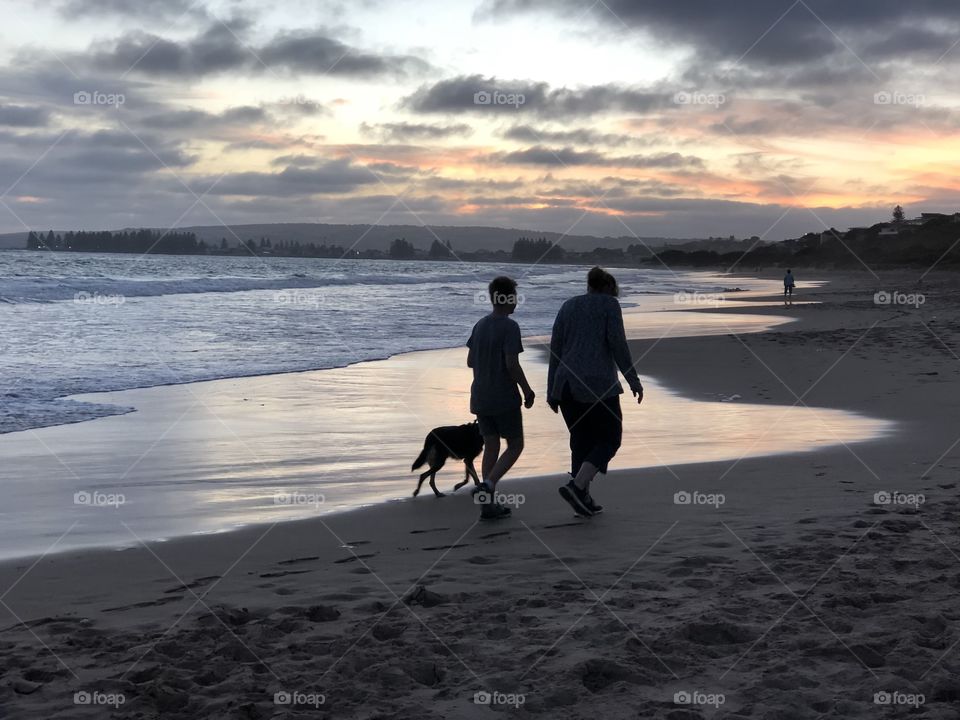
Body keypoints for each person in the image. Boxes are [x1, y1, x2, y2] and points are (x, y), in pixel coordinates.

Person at [547, 267, 643, 517]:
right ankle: (577, 488)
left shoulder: (568, 306)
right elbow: (617, 343)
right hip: (597, 383)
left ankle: (584, 499)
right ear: (609, 288)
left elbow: (555, 348)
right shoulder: (609, 305)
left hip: (565, 383)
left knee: (581, 441)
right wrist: (633, 379)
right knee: (610, 439)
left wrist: (552, 390)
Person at [467, 276, 535, 520]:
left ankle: (488, 503)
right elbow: (511, 364)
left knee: (491, 446)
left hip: (480, 397)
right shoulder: (509, 326)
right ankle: (489, 485)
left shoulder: (480, 325)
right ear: (509, 298)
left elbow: (470, 361)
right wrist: (527, 390)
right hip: (503, 397)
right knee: (515, 445)